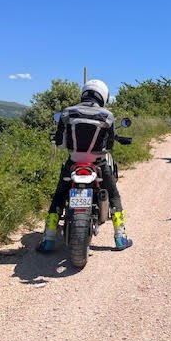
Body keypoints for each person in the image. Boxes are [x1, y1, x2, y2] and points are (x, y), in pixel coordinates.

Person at [37, 79, 133, 252]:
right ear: (103, 96)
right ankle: (120, 238)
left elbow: (60, 143)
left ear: (84, 93)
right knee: (113, 196)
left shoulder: (67, 113)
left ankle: (48, 239)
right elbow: (109, 146)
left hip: (73, 163)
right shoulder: (108, 116)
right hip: (98, 163)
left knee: (59, 197)